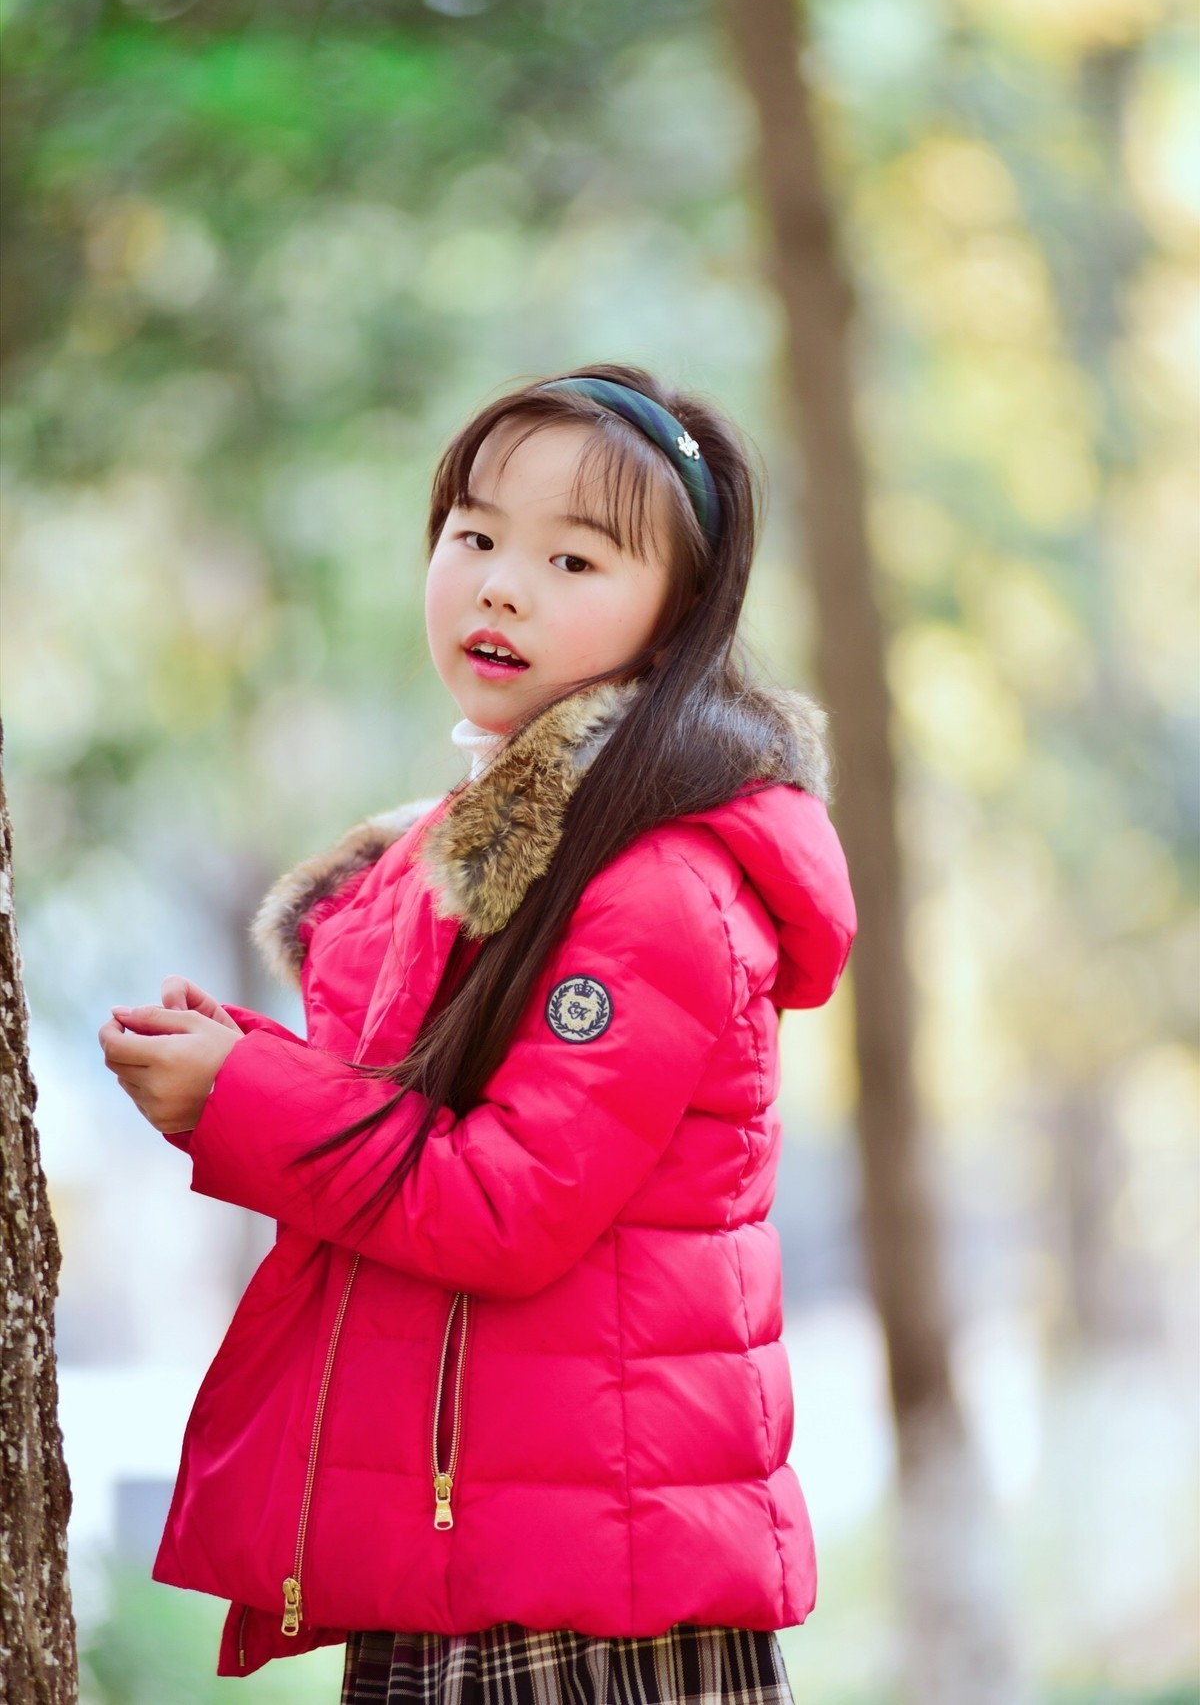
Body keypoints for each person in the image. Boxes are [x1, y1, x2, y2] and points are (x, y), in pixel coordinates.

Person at [98, 363, 857, 1703]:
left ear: (675, 615)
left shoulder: (652, 884)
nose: (504, 583)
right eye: (476, 534)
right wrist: (241, 1066)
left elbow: (504, 1203)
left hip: (594, 1600)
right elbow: (407, 1117)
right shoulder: (471, 854)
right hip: (469, 1545)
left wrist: (248, 1100)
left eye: (574, 557)